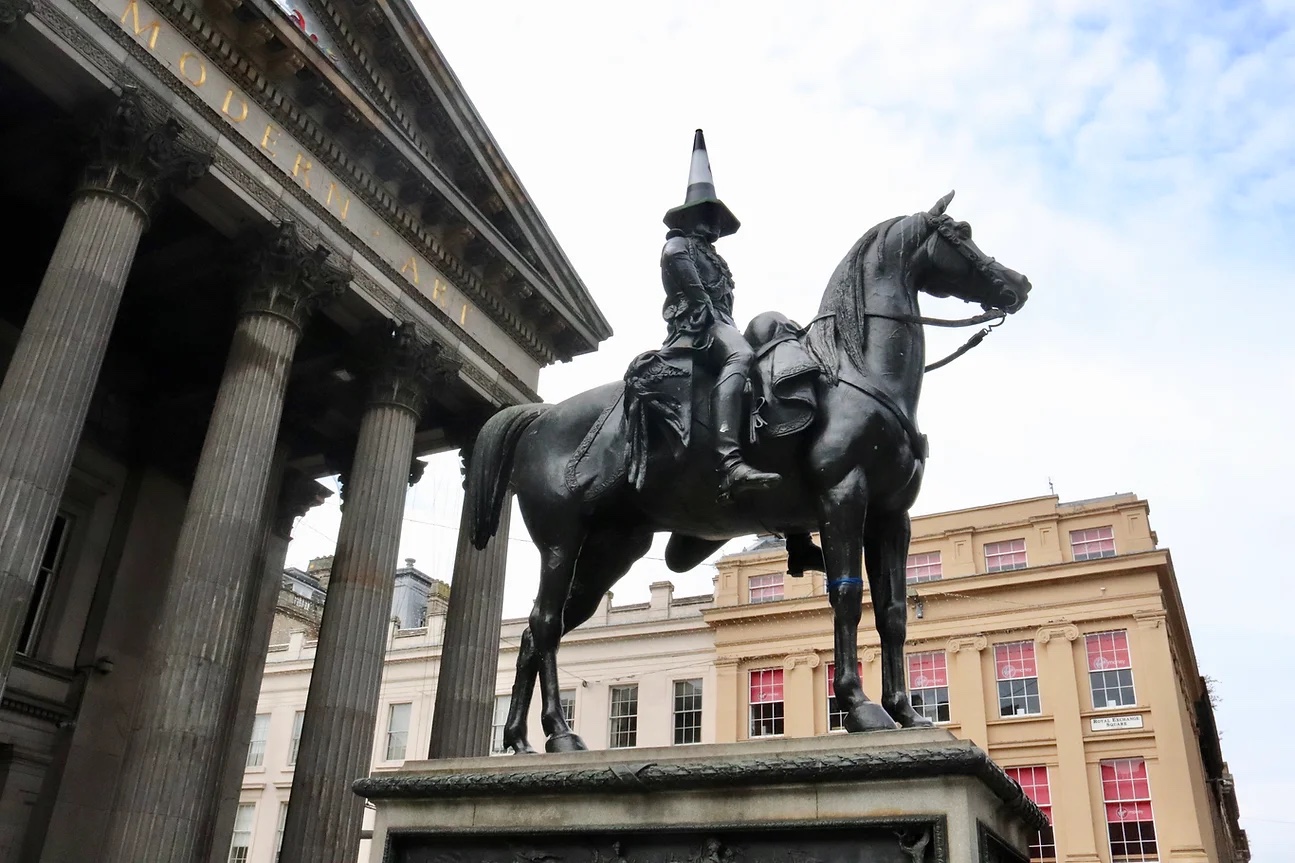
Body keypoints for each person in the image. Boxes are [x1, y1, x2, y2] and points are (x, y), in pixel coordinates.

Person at [660, 130, 781, 499]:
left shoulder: (716, 258)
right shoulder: (677, 246)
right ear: (694, 216)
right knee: (741, 354)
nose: (714, 225)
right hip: (695, 327)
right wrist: (714, 316)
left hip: (720, 324)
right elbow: (696, 293)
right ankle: (730, 462)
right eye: (709, 215)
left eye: (716, 218)